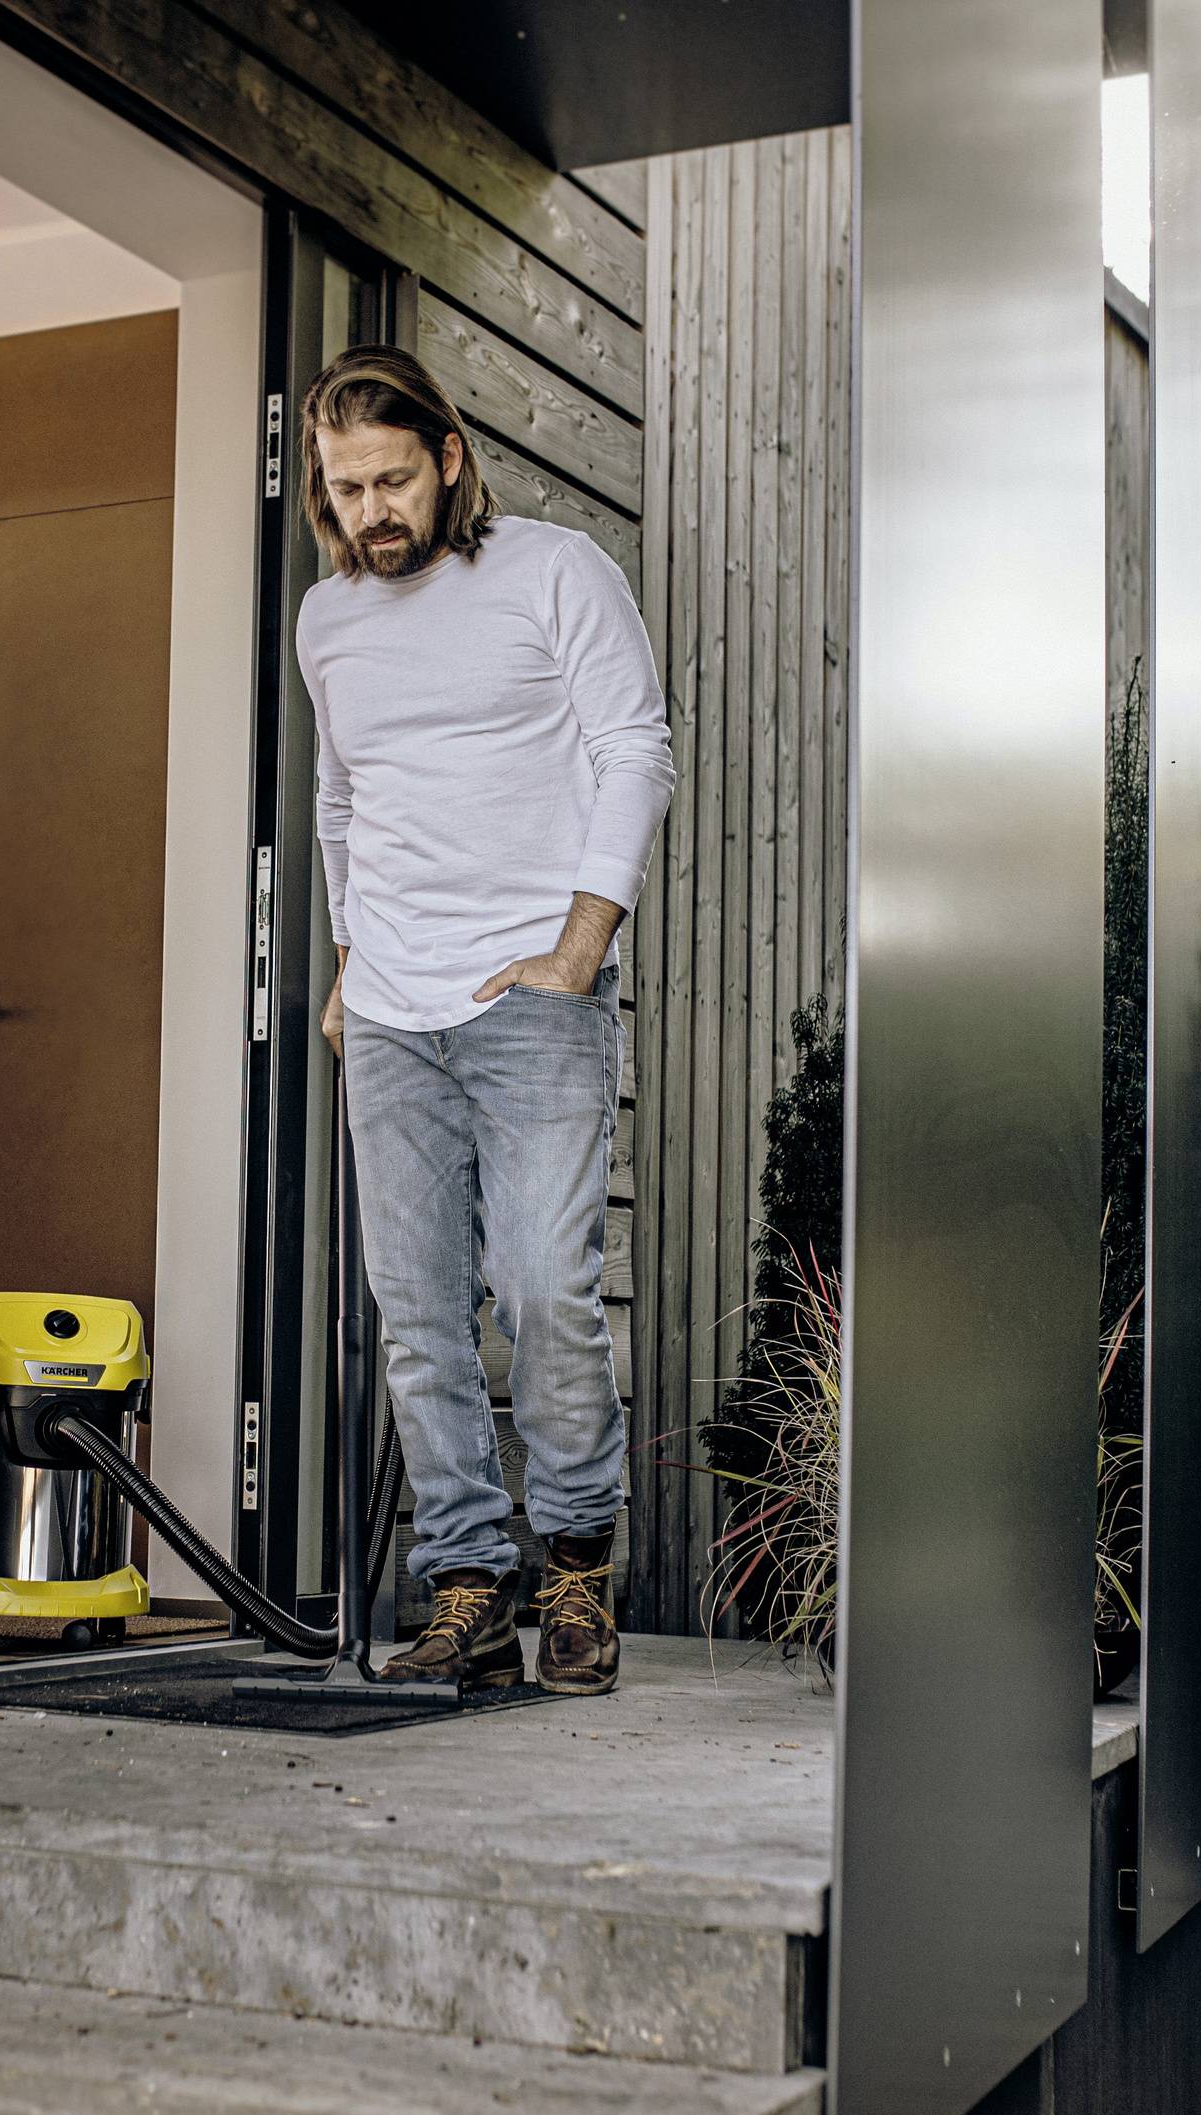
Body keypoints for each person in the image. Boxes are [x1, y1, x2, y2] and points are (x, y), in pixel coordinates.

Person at [297, 346, 676, 1696]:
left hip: (531, 993)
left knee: (540, 1287)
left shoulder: (557, 569)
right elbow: (344, 802)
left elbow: (636, 745)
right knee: (417, 1315)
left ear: (449, 458)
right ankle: (468, 1585)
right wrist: (350, 959)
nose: (371, 512)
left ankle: (574, 1563)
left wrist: (582, 946)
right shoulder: (325, 621)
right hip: (391, 1012)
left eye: (393, 479)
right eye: (346, 490)